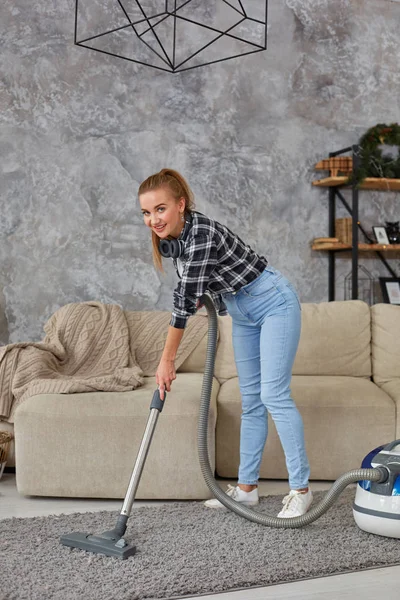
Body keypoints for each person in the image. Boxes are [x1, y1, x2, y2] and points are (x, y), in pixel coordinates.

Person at [138, 168, 312, 518]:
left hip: (274, 302)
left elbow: (185, 299)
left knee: (273, 395)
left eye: (160, 209)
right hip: (241, 312)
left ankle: (301, 491)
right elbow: (195, 288)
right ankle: (246, 489)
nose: (153, 219)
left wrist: (166, 359)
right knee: (251, 401)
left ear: (181, 205)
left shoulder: (200, 233)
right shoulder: (178, 243)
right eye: (146, 212)